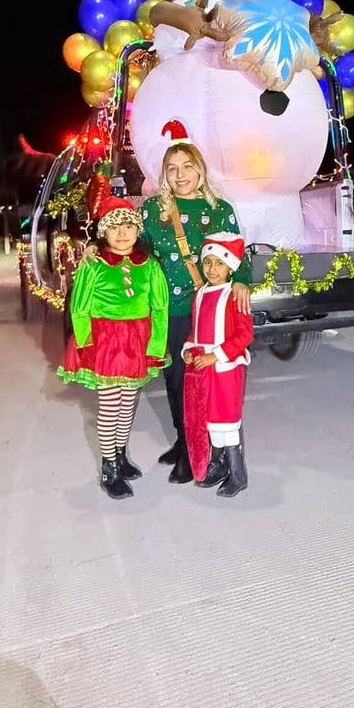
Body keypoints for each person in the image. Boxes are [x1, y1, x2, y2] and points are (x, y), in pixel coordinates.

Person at [140, 121, 252, 484]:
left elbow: (239, 251)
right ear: (164, 174)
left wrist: (243, 284)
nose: (180, 174)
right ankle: (185, 440)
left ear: (200, 169)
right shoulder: (153, 211)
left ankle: (198, 451)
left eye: (187, 166)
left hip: (209, 310)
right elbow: (135, 249)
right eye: (172, 168)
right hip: (170, 310)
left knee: (205, 382)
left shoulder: (218, 209)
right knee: (175, 380)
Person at [57, 197, 170, 500]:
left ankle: (120, 455)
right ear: (104, 232)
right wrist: (86, 344)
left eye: (129, 226)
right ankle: (109, 467)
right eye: (115, 226)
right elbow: (79, 308)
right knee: (110, 405)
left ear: (138, 230)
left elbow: (160, 307)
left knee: (127, 402)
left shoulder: (150, 266)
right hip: (105, 343)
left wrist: (156, 344)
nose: (122, 233)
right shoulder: (93, 265)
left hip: (136, 342)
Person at [182, 233, 254, 497]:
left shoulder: (235, 295)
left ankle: (237, 472)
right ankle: (218, 464)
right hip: (204, 369)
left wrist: (216, 355)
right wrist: (189, 349)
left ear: (231, 266)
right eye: (208, 262)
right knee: (210, 418)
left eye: (219, 263)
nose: (212, 269)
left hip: (226, 368)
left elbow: (244, 335)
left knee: (227, 419)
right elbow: (195, 332)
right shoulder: (200, 294)